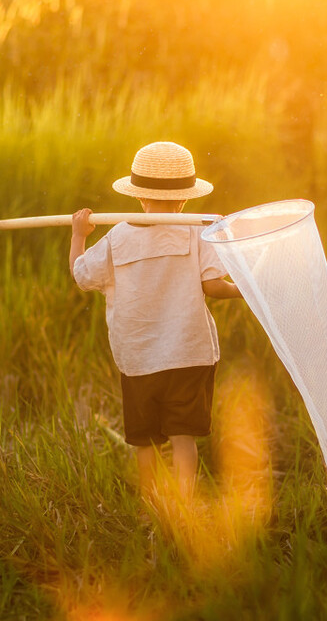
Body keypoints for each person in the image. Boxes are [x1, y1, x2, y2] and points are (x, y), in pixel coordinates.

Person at [70, 141, 242, 503]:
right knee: (184, 437)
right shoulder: (197, 231)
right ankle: (184, 505)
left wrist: (78, 236)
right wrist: (247, 290)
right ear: (184, 200)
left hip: (139, 358)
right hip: (189, 354)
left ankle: (151, 504)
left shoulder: (118, 237)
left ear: (138, 197)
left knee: (144, 441)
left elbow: (82, 275)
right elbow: (213, 286)